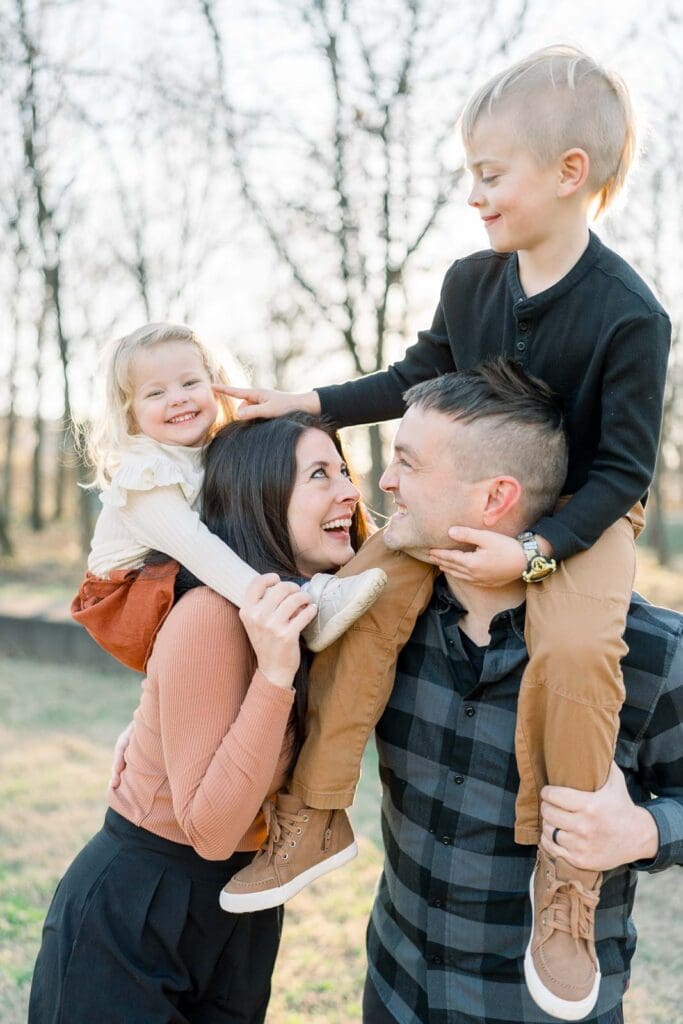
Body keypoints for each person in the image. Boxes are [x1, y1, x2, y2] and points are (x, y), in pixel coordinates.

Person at [217, 46, 671, 1020]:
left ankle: (565, 886)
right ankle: (317, 812)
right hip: (473, 507)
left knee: (579, 647)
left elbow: (624, 469)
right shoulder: (472, 281)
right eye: (469, 171)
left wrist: (535, 552)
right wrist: (307, 400)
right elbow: (411, 375)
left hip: (580, 518)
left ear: (568, 173)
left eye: (487, 173)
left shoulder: (628, 315)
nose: (472, 193)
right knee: (361, 606)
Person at [358, 363, 680, 1024]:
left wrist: (643, 830)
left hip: (536, 1011)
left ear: (493, 498)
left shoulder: (648, 651)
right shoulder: (383, 627)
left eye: (407, 463)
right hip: (395, 992)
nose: (385, 481)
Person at [29, 412, 370, 1024]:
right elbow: (211, 833)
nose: (349, 489)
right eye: (320, 474)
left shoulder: (317, 615)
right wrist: (271, 675)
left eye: (344, 470)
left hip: (244, 907)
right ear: (259, 497)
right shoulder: (211, 615)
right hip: (143, 908)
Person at [71, 322, 386, 672]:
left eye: (190, 383)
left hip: (166, 572)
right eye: (155, 393)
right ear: (132, 416)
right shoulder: (143, 477)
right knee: (219, 554)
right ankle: (310, 605)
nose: (177, 398)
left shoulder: (206, 451)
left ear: (216, 386)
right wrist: (292, 602)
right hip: (123, 597)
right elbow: (199, 550)